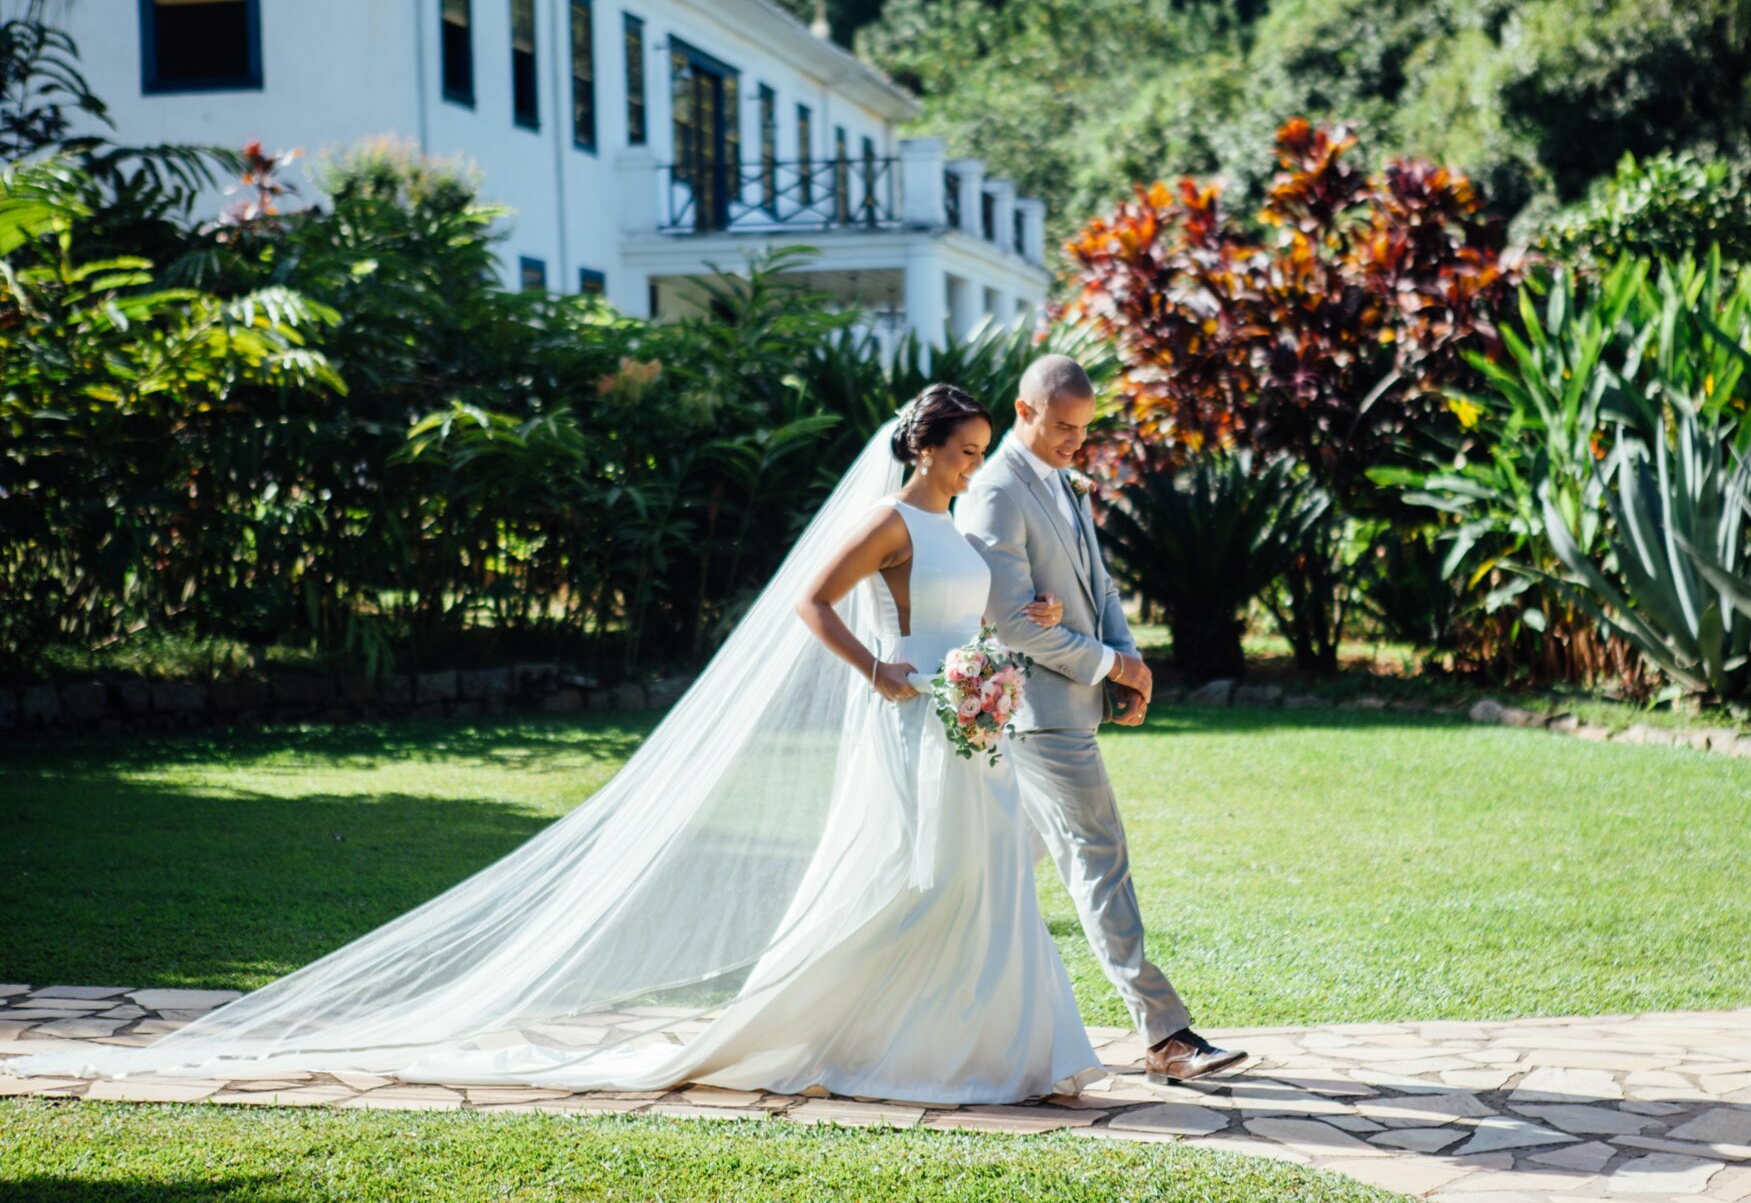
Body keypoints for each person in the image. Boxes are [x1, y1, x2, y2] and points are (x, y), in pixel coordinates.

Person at [3, 384, 1105, 1105]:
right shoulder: (892, 522)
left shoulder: (954, 526)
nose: (973, 467)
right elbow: (810, 603)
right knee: (926, 876)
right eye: (963, 452)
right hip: (915, 715)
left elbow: (973, 613)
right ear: (923, 447)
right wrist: (880, 672)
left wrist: (1024, 633)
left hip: (972, 715)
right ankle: (850, 1030)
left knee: (989, 874)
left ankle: (1001, 1048)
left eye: (979, 454)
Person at [957, 354, 1250, 1085]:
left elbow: (1101, 586)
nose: (1074, 443)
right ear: (1023, 411)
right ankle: (1165, 1035)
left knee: (989, 873)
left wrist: (1130, 662)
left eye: (1084, 430)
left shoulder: (1062, 479)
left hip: (1073, 705)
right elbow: (1012, 625)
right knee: (1101, 860)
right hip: (1037, 713)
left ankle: (927, 1005)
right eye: (1062, 427)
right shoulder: (994, 492)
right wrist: (1112, 666)